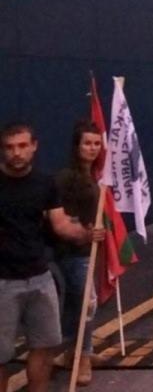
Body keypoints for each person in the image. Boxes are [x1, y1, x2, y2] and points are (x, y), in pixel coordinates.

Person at [1, 122, 104, 392]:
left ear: (34, 147)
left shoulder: (44, 184)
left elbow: (61, 225)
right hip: (2, 283)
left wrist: (85, 234)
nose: (16, 153)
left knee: (44, 348)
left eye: (22, 146)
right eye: (10, 147)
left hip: (39, 278)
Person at [53, 122, 107, 385]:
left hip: (88, 250)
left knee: (79, 304)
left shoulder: (90, 175)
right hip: (72, 252)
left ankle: (74, 351)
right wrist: (84, 232)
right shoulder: (66, 178)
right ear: (76, 146)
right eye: (87, 143)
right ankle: (82, 357)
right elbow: (61, 219)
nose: (93, 148)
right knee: (88, 303)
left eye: (97, 143)